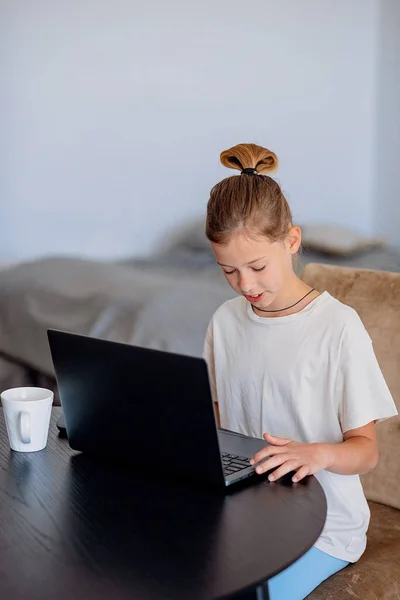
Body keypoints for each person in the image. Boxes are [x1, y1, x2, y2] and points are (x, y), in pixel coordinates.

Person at [202, 143, 398, 600]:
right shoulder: (224, 322)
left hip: (325, 525)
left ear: (291, 241)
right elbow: (215, 423)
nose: (245, 284)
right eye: (228, 271)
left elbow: (365, 452)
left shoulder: (337, 326)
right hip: (246, 510)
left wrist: (317, 454)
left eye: (256, 266)